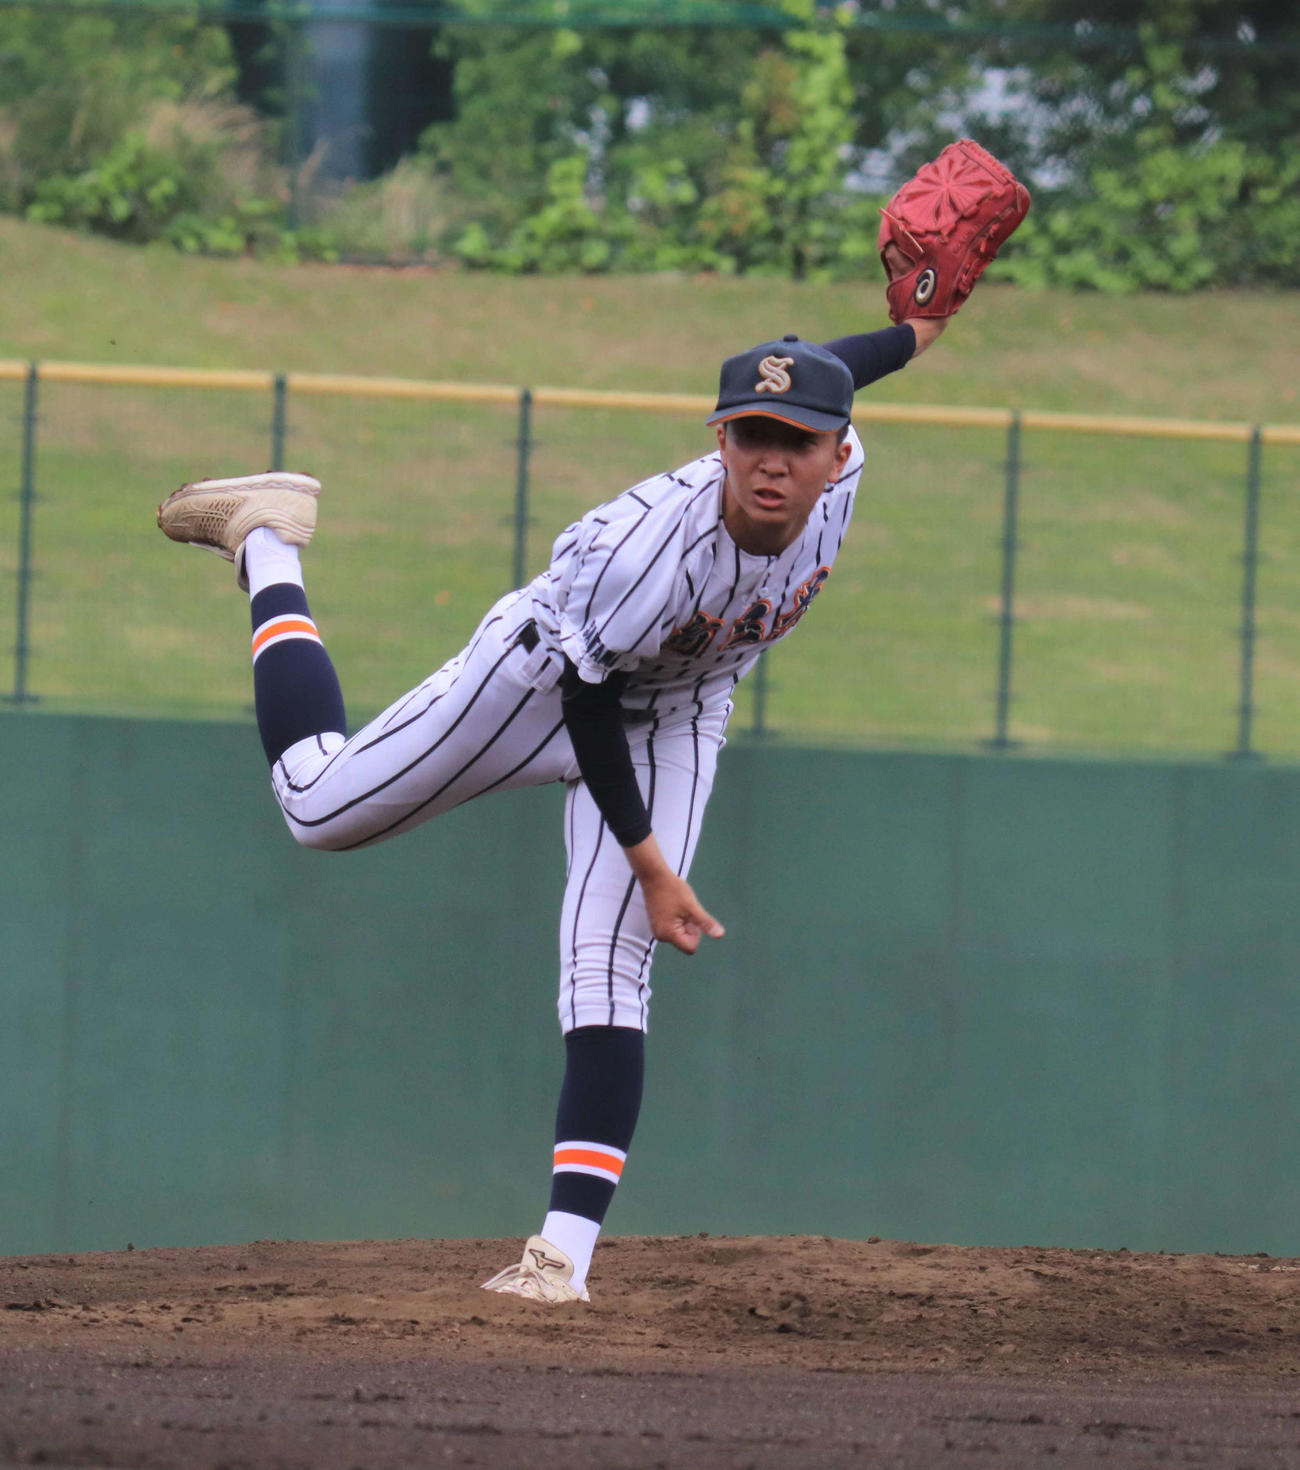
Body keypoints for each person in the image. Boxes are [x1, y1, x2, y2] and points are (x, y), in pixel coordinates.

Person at [156, 290, 948, 1304]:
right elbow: (588, 698)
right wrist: (652, 866)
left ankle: (558, 1264)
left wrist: (920, 329)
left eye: (796, 440)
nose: (771, 459)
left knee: (610, 969)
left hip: (680, 707)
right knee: (314, 808)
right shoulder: (654, 549)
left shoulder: (834, 475)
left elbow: (831, 366)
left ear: (840, 455)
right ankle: (269, 541)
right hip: (539, 682)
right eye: (749, 434)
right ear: (719, 438)